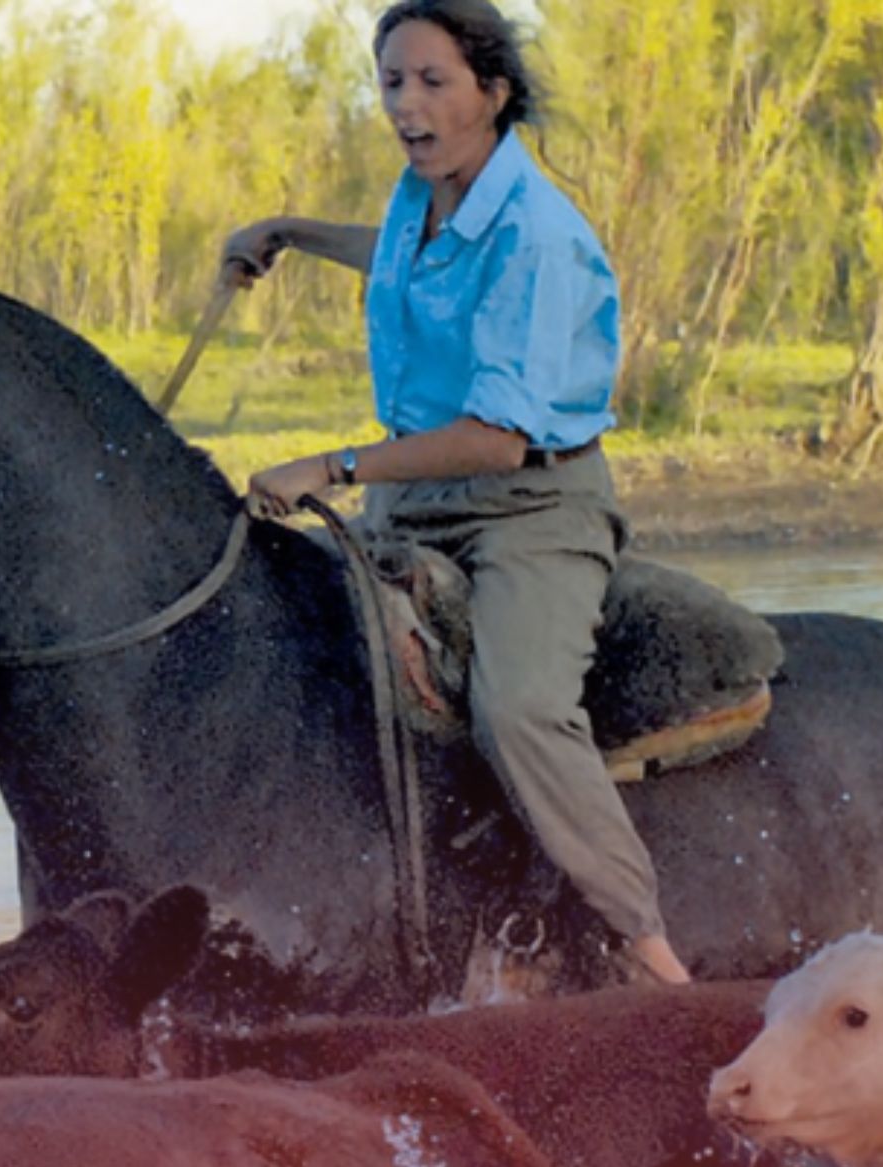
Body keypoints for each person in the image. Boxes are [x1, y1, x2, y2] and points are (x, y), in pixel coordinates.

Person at [221, 0, 690, 986]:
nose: (407, 103)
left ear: (494, 93)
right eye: (392, 81)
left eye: (433, 81)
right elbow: (399, 254)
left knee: (517, 707)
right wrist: (290, 232)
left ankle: (641, 942)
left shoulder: (534, 234)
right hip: (416, 499)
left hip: (531, 506)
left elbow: (498, 438)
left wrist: (333, 467)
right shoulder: (421, 194)